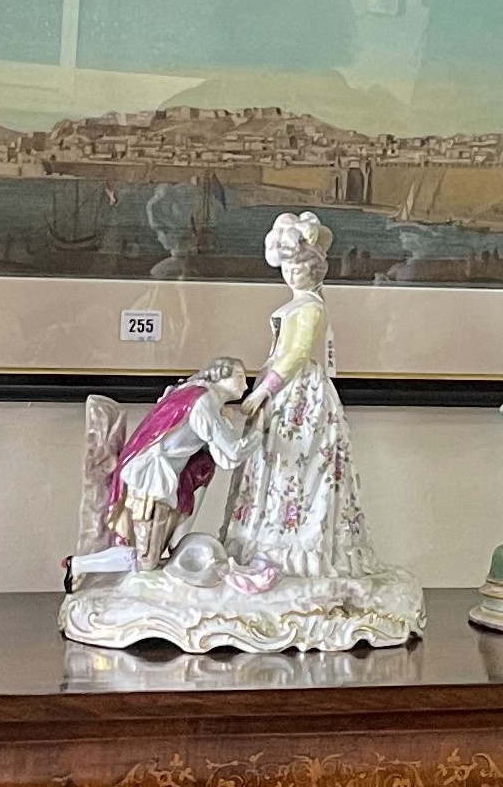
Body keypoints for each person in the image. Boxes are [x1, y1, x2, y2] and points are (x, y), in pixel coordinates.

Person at [222, 211, 381, 583]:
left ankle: (297, 551)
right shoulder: (298, 304)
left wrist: (265, 389)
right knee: (274, 461)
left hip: (297, 392)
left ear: (315, 270)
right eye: (288, 268)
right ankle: (264, 540)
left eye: (300, 269)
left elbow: (296, 354)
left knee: (299, 464)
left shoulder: (310, 307)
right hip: (282, 385)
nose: (292, 274)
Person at [108, 360, 252, 568]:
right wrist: (259, 432)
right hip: (152, 476)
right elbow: (231, 452)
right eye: (239, 377)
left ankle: (81, 565)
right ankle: (79, 565)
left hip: (163, 478)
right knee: (145, 558)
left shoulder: (194, 394)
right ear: (220, 374)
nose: (245, 385)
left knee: (148, 555)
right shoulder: (202, 401)